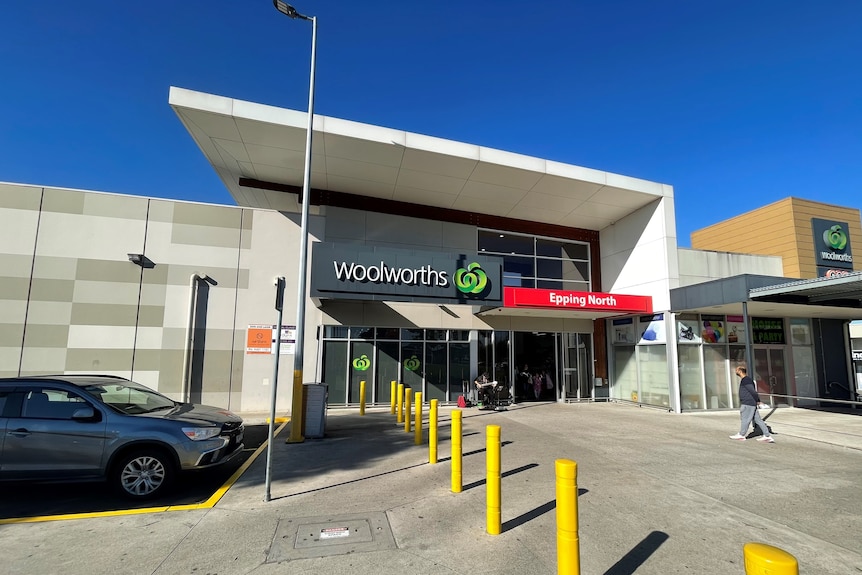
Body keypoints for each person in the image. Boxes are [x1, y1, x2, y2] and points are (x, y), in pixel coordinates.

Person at [730, 365, 775, 442]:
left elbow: (752, 391)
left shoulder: (746, 380)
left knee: (745, 419)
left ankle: (741, 435)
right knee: (758, 420)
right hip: (751, 403)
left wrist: (758, 400)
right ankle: (767, 435)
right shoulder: (747, 380)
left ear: (740, 371)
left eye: (737, 370)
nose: (735, 372)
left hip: (748, 403)